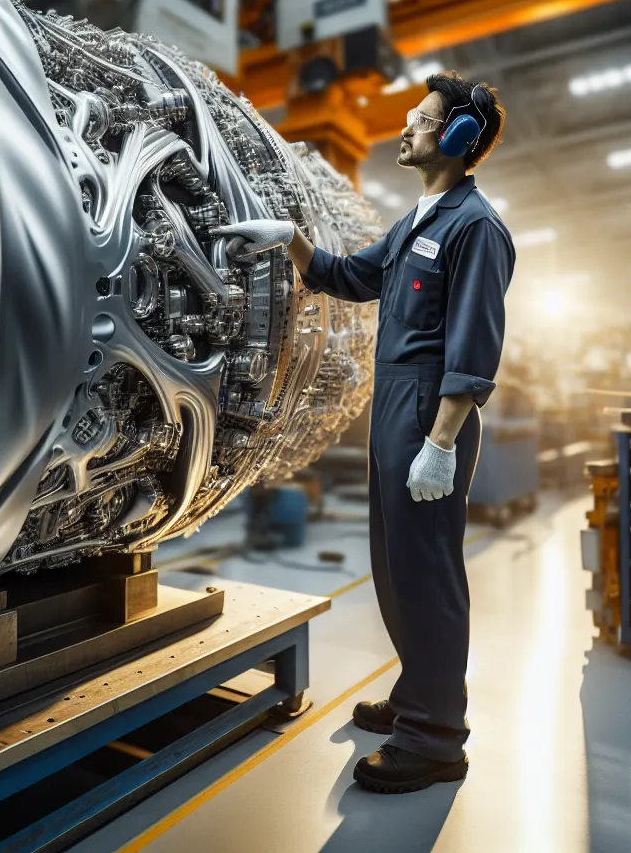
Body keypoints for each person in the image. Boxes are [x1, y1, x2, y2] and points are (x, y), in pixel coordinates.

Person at [214, 71, 514, 795]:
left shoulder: (475, 228)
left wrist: (441, 443)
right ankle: (417, 698)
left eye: (421, 117)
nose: (406, 126)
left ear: (459, 137)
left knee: (428, 577)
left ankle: (436, 739)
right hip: (393, 405)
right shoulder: (418, 221)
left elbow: (474, 349)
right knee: (393, 570)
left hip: (427, 414)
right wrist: (292, 241)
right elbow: (349, 276)